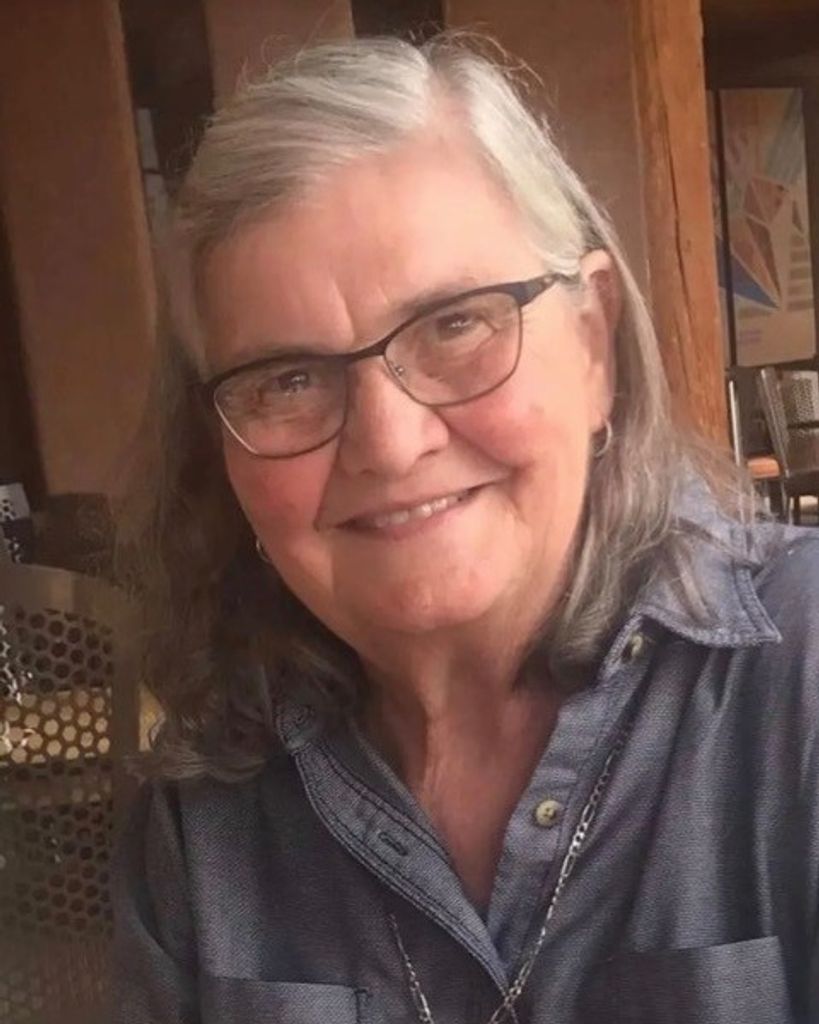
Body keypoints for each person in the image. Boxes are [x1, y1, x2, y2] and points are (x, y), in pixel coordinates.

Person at [113, 33, 819, 1024]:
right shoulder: (202, 814)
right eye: (289, 379)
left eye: (455, 324)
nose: (390, 444)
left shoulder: (798, 683)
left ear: (593, 344)